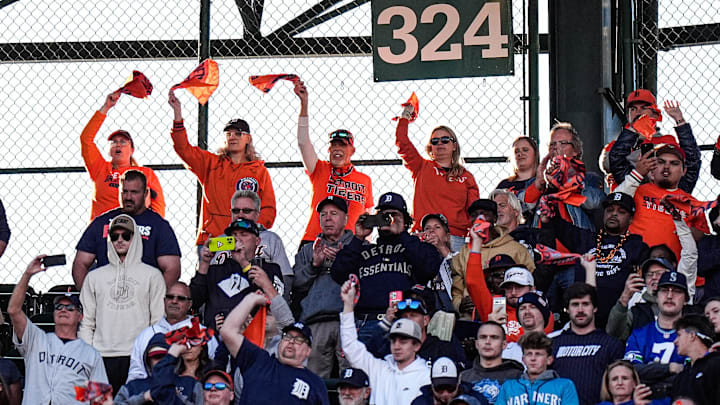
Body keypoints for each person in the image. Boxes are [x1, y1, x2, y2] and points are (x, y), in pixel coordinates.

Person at [168, 89, 276, 248]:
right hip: (213, 241)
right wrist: (178, 114)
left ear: (248, 138)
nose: (232, 137)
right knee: (215, 270)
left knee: (266, 252)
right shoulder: (210, 163)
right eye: (228, 134)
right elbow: (183, 149)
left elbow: (268, 209)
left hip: (245, 241)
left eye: (238, 133)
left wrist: (249, 230)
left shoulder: (259, 171)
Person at [331, 192, 442, 342]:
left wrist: (402, 234)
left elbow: (429, 268)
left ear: (405, 220)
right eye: (383, 215)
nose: (388, 219)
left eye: (394, 215)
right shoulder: (363, 250)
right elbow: (338, 273)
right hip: (366, 322)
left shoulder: (415, 248)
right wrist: (358, 238)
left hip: (403, 320)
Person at [78, 214, 166, 393]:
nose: (120, 240)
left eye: (126, 235)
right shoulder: (94, 277)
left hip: (137, 358)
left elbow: (157, 322)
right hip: (101, 357)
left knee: (136, 402)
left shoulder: (153, 275)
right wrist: (90, 354)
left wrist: (148, 355)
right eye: (114, 236)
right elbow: (87, 322)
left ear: (136, 238)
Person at [539, 192, 649, 328]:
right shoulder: (586, 239)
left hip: (617, 321)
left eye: (621, 212)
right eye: (609, 210)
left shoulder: (638, 246)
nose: (613, 214)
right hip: (582, 318)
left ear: (631, 219)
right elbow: (556, 222)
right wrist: (549, 205)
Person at [8, 256, 108, 404]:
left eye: (70, 308)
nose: (63, 310)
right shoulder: (37, 340)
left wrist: (73, 394)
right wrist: (27, 275)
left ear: (80, 316)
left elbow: (101, 399)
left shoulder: (90, 354)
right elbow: (13, 310)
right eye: (59, 307)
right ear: (53, 313)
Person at [293, 81, 374, 244]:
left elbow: (368, 215)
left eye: (342, 145)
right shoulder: (319, 169)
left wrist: (367, 244)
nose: (337, 149)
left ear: (352, 150)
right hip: (315, 240)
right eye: (333, 145)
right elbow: (303, 142)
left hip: (350, 244)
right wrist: (304, 104)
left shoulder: (364, 180)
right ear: (329, 149)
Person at [73, 169, 181, 288]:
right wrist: (88, 297)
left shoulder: (159, 226)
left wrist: (154, 298)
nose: (128, 197)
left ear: (145, 193)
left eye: (134, 192)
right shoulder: (101, 222)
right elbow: (80, 263)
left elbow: (172, 268)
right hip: (106, 295)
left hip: (143, 294)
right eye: (124, 192)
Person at [395, 103, 479, 252]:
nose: (440, 143)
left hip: (456, 237)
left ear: (454, 146)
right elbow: (402, 141)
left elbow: (474, 212)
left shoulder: (466, 177)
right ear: (430, 148)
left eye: (445, 140)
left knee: (456, 275)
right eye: (435, 141)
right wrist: (406, 115)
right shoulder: (421, 166)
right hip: (424, 235)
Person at [220, 292, 330, 404]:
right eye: (287, 337)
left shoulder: (316, 383)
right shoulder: (258, 361)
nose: (291, 341)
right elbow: (227, 331)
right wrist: (251, 299)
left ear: (308, 351)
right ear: (280, 341)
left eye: (299, 340)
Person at [339, 280, 430, 404]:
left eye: (403, 341)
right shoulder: (379, 368)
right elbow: (350, 348)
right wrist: (348, 304)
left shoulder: (426, 375)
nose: (396, 346)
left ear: (416, 346)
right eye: (393, 340)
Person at [615, 140, 708, 262]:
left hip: (673, 271)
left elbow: (703, 241)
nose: (666, 167)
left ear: (684, 171)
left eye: (674, 163)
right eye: (661, 162)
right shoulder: (636, 190)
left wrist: (681, 224)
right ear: (653, 167)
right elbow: (614, 203)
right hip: (634, 264)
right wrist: (637, 173)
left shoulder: (693, 204)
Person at [292, 196, 354, 377]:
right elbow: (296, 284)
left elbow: (366, 281)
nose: (328, 218)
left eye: (334, 213)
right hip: (314, 321)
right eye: (323, 214)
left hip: (349, 320)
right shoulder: (308, 249)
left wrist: (343, 263)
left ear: (346, 219)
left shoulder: (358, 246)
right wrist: (314, 265)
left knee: (351, 378)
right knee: (314, 379)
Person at [81, 90, 165, 220]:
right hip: (103, 232)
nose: (118, 145)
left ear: (132, 150)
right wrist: (106, 107)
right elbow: (86, 139)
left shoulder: (145, 174)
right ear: (109, 150)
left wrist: (154, 232)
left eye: (123, 142)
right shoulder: (100, 169)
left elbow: (158, 205)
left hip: (133, 232)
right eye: (114, 142)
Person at [463, 221, 553, 341]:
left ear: (532, 289)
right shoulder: (495, 307)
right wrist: (477, 243)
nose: (514, 292)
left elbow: (535, 341)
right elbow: (473, 283)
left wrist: (495, 331)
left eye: (520, 287)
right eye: (509, 288)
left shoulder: (541, 310)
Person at [191, 218, 284, 331]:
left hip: (254, 337)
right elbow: (194, 301)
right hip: (215, 338)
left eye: (243, 234)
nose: (237, 239)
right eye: (233, 235)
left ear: (257, 241)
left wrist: (244, 263)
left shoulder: (270, 269)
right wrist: (205, 263)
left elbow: (273, 302)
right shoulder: (215, 270)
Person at [451, 199, 536, 315]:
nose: (479, 218)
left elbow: (530, 282)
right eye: (474, 215)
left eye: (484, 214)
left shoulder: (516, 249)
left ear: (495, 218)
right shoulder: (463, 253)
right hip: (472, 314)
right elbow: (456, 290)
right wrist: (460, 304)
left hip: (511, 313)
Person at [608, 90, 700, 193]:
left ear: (655, 114)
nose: (638, 113)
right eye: (633, 109)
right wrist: (634, 129)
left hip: (668, 198)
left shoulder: (668, 141)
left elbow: (692, 161)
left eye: (644, 108)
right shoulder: (618, 143)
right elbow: (609, 163)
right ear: (628, 115)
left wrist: (680, 120)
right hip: (627, 200)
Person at [551, 283, 624, 405]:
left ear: (594, 308)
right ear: (567, 309)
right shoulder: (553, 345)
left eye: (585, 304)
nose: (580, 310)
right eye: (575, 304)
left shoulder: (611, 345)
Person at [128, 282, 217, 382]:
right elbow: (136, 373)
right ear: (164, 301)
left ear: (189, 304)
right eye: (170, 297)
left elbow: (214, 371)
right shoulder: (147, 334)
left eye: (181, 298)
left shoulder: (202, 333)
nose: (174, 301)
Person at [524, 122, 605, 231]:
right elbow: (520, 209)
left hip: (576, 244)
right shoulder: (538, 182)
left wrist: (565, 183)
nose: (556, 148)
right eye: (552, 144)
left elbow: (596, 202)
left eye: (562, 143)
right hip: (543, 244)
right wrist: (538, 184)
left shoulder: (588, 178)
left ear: (575, 150)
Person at [211, 190, 293, 296]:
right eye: (236, 211)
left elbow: (285, 277)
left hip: (259, 296)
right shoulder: (220, 241)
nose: (240, 215)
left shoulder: (271, 239)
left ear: (257, 214)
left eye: (246, 211)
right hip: (224, 297)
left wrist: (280, 308)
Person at [624, 271, 690, 396]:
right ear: (656, 296)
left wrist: (651, 375)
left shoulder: (694, 336)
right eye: (664, 290)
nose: (670, 296)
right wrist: (670, 368)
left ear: (686, 300)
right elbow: (631, 372)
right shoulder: (639, 335)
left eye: (677, 291)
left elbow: (693, 373)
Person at [367, 288, 467, 369]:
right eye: (404, 316)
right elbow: (368, 357)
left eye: (413, 315)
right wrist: (386, 322)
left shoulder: (442, 348)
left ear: (426, 320)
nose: (408, 320)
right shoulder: (392, 348)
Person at [115, 333, 203, 404]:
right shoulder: (132, 387)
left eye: (166, 356)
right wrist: (144, 397)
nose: (163, 361)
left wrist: (174, 396)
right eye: (157, 356)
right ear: (148, 360)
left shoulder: (191, 384)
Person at [495, 332, 579, 405]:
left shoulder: (564, 385)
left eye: (538, 354)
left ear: (549, 360)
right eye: (529, 354)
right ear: (523, 359)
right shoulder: (508, 386)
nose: (533, 358)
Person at [606, 257, 675, 341]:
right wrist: (624, 299)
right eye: (649, 274)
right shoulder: (637, 311)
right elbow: (614, 334)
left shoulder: (681, 307)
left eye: (659, 273)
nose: (654, 277)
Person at [459, 322, 523, 405]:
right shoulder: (464, 377)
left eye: (494, 337)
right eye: (483, 337)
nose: (488, 342)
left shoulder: (518, 377)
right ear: (477, 344)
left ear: (504, 344)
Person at [669, 314, 720, 405]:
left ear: (692, 335)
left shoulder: (716, 365)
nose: (675, 341)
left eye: (679, 335)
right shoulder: (681, 377)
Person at [496, 136, 540, 223]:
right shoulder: (504, 185)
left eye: (525, 150)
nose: (520, 154)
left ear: (535, 154)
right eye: (516, 151)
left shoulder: (542, 183)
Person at [411, 357, 488, 405]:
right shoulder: (420, 402)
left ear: (458, 382)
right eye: (439, 389)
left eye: (450, 388)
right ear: (432, 384)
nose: (445, 394)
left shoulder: (477, 400)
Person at [420, 213, 457, 312]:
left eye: (437, 227)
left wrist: (441, 247)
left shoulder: (458, 257)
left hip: (454, 314)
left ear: (447, 237)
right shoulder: (419, 261)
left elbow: (459, 270)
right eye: (427, 228)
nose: (431, 231)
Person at [502, 291, 552, 362]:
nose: (527, 312)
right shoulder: (507, 352)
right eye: (522, 308)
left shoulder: (554, 346)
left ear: (544, 314)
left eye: (533, 307)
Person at [597, 360, 669, 405]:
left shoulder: (647, 403)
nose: (620, 382)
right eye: (614, 379)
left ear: (634, 383)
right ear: (608, 385)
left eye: (625, 378)